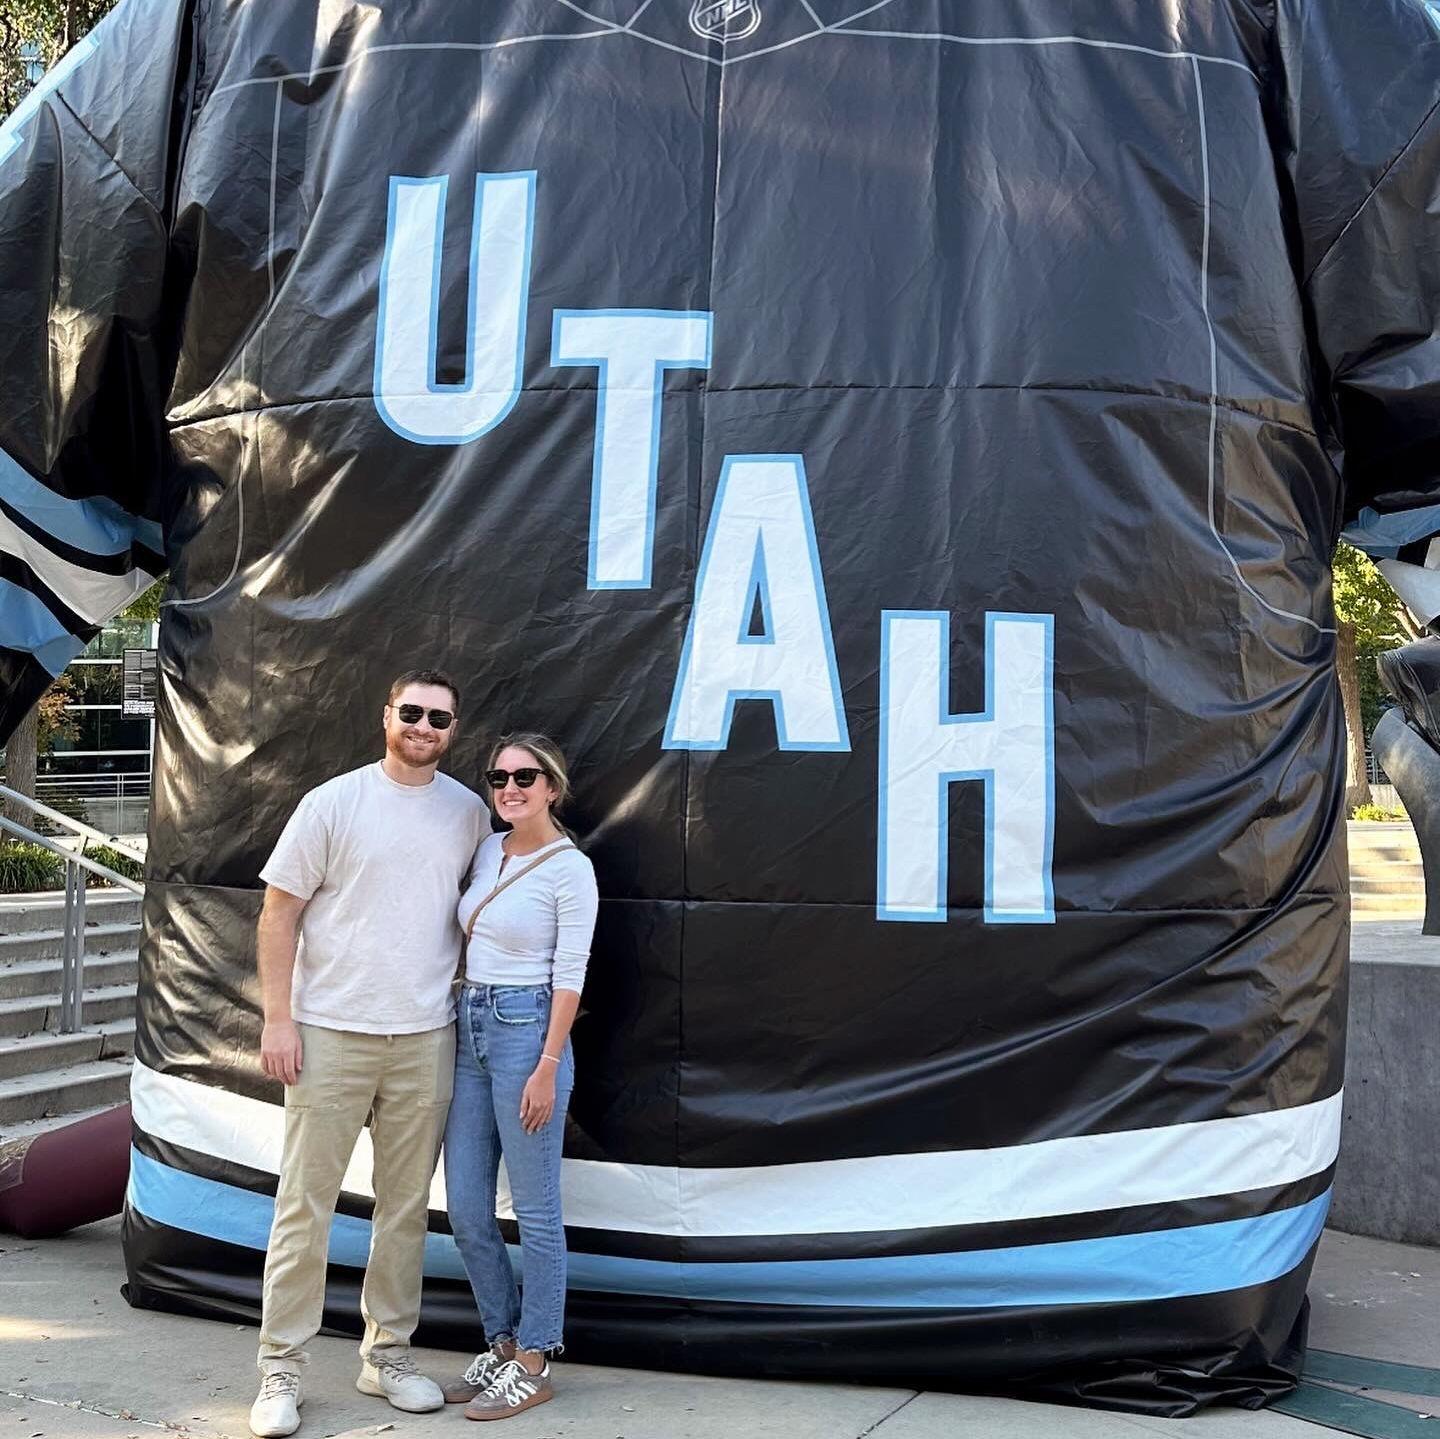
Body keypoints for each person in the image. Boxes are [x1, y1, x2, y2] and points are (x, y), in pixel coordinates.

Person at [248, 670, 489, 1439]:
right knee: (304, 1206)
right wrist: (278, 1020)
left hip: (425, 1036)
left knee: (406, 1209)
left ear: (454, 729)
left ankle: (387, 1356)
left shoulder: (469, 813)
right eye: (411, 711)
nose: (424, 725)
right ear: (386, 715)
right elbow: (278, 913)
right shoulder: (332, 802)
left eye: (439, 717)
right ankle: (281, 1369)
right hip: (328, 1030)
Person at [441, 733, 599, 1421]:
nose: (509, 788)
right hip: (468, 1023)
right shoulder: (487, 849)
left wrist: (548, 1064)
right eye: (499, 776)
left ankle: (534, 1360)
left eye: (525, 777)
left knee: (535, 1210)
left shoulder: (571, 869)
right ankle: (502, 1343)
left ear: (552, 788)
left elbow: (570, 973)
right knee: (466, 1206)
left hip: (527, 1030)